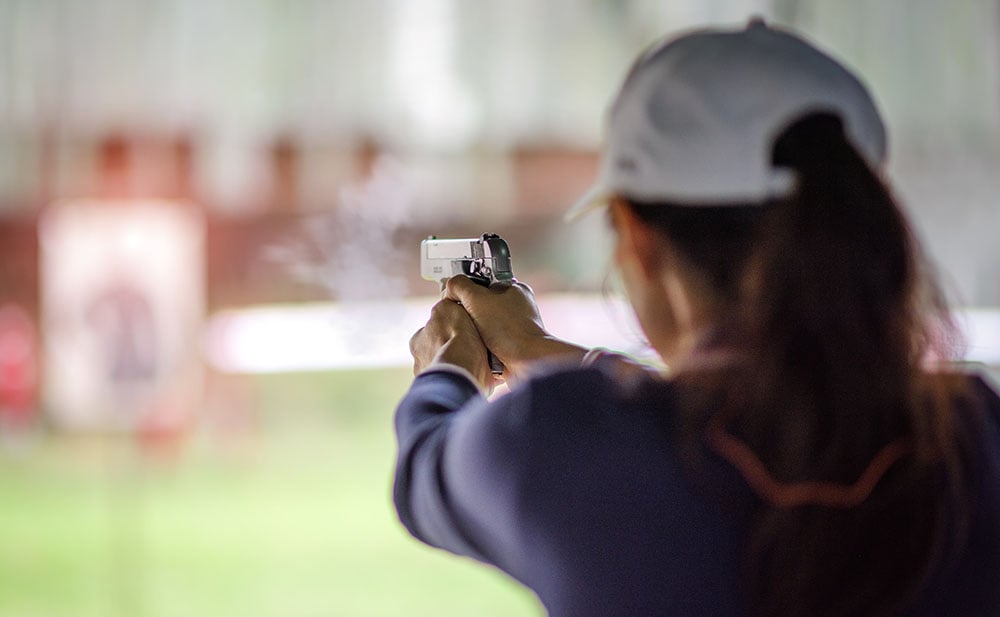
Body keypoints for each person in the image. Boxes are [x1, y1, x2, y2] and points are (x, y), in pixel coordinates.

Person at [392, 19, 1000, 617]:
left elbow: (424, 470)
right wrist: (532, 345)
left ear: (637, 238)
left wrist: (445, 363)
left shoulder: (562, 442)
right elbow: (747, 408)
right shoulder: (977, 432)